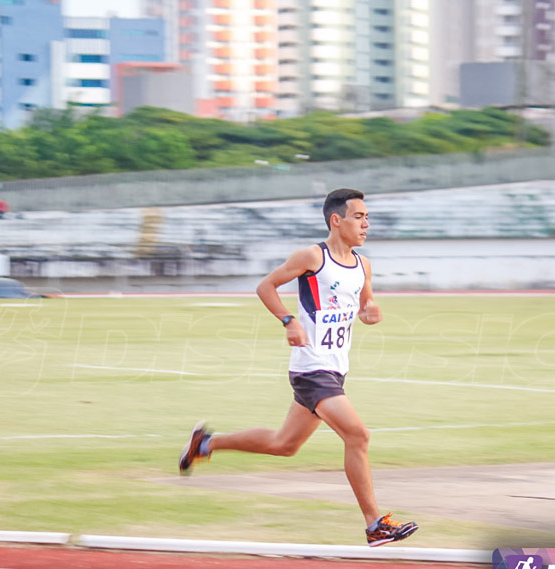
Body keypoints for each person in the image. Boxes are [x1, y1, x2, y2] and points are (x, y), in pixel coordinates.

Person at [178, 188, 418, 547]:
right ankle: (374, 524)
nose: (366, 224)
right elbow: (266, 286)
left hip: (336, 368)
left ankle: (206, 443)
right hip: (311, 368)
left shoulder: (363, 265)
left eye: (368, 217)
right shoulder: (312, 257)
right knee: (358, 435)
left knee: (284, 444)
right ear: (336, 221)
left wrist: (370, 312)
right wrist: (289, 320)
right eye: (359, 217)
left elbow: (365, 304)